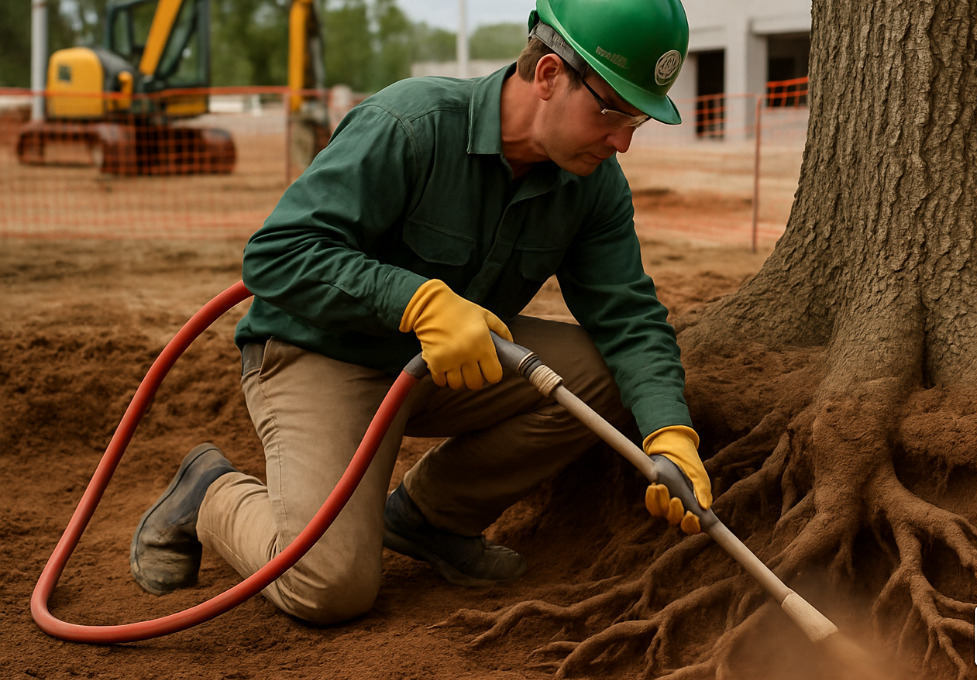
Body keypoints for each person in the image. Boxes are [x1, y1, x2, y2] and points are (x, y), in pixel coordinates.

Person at [129, 0, 711, 625]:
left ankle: (428, 518)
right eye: (612, 112)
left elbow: (627, 316)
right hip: (323, 354)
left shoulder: (593, 181)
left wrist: (671, 434)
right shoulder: (410, 124)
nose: (623, 140)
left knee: (601, 374)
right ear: (548, 75)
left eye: (638, 122)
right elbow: (276, 256)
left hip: (446, 364)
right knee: (330, 587)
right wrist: (415, 300)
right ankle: (208, 493)